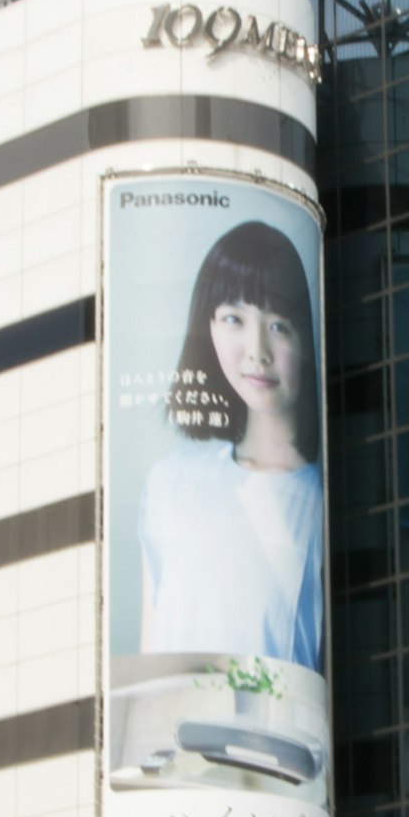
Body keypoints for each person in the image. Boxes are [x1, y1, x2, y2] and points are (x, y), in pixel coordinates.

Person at [136, 220, 324, 667]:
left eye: (279, 325)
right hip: (174, 731)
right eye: (234, 319)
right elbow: (152, 647)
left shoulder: (321, 501)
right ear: (209, 324)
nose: (256, 351)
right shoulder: (170, 481)